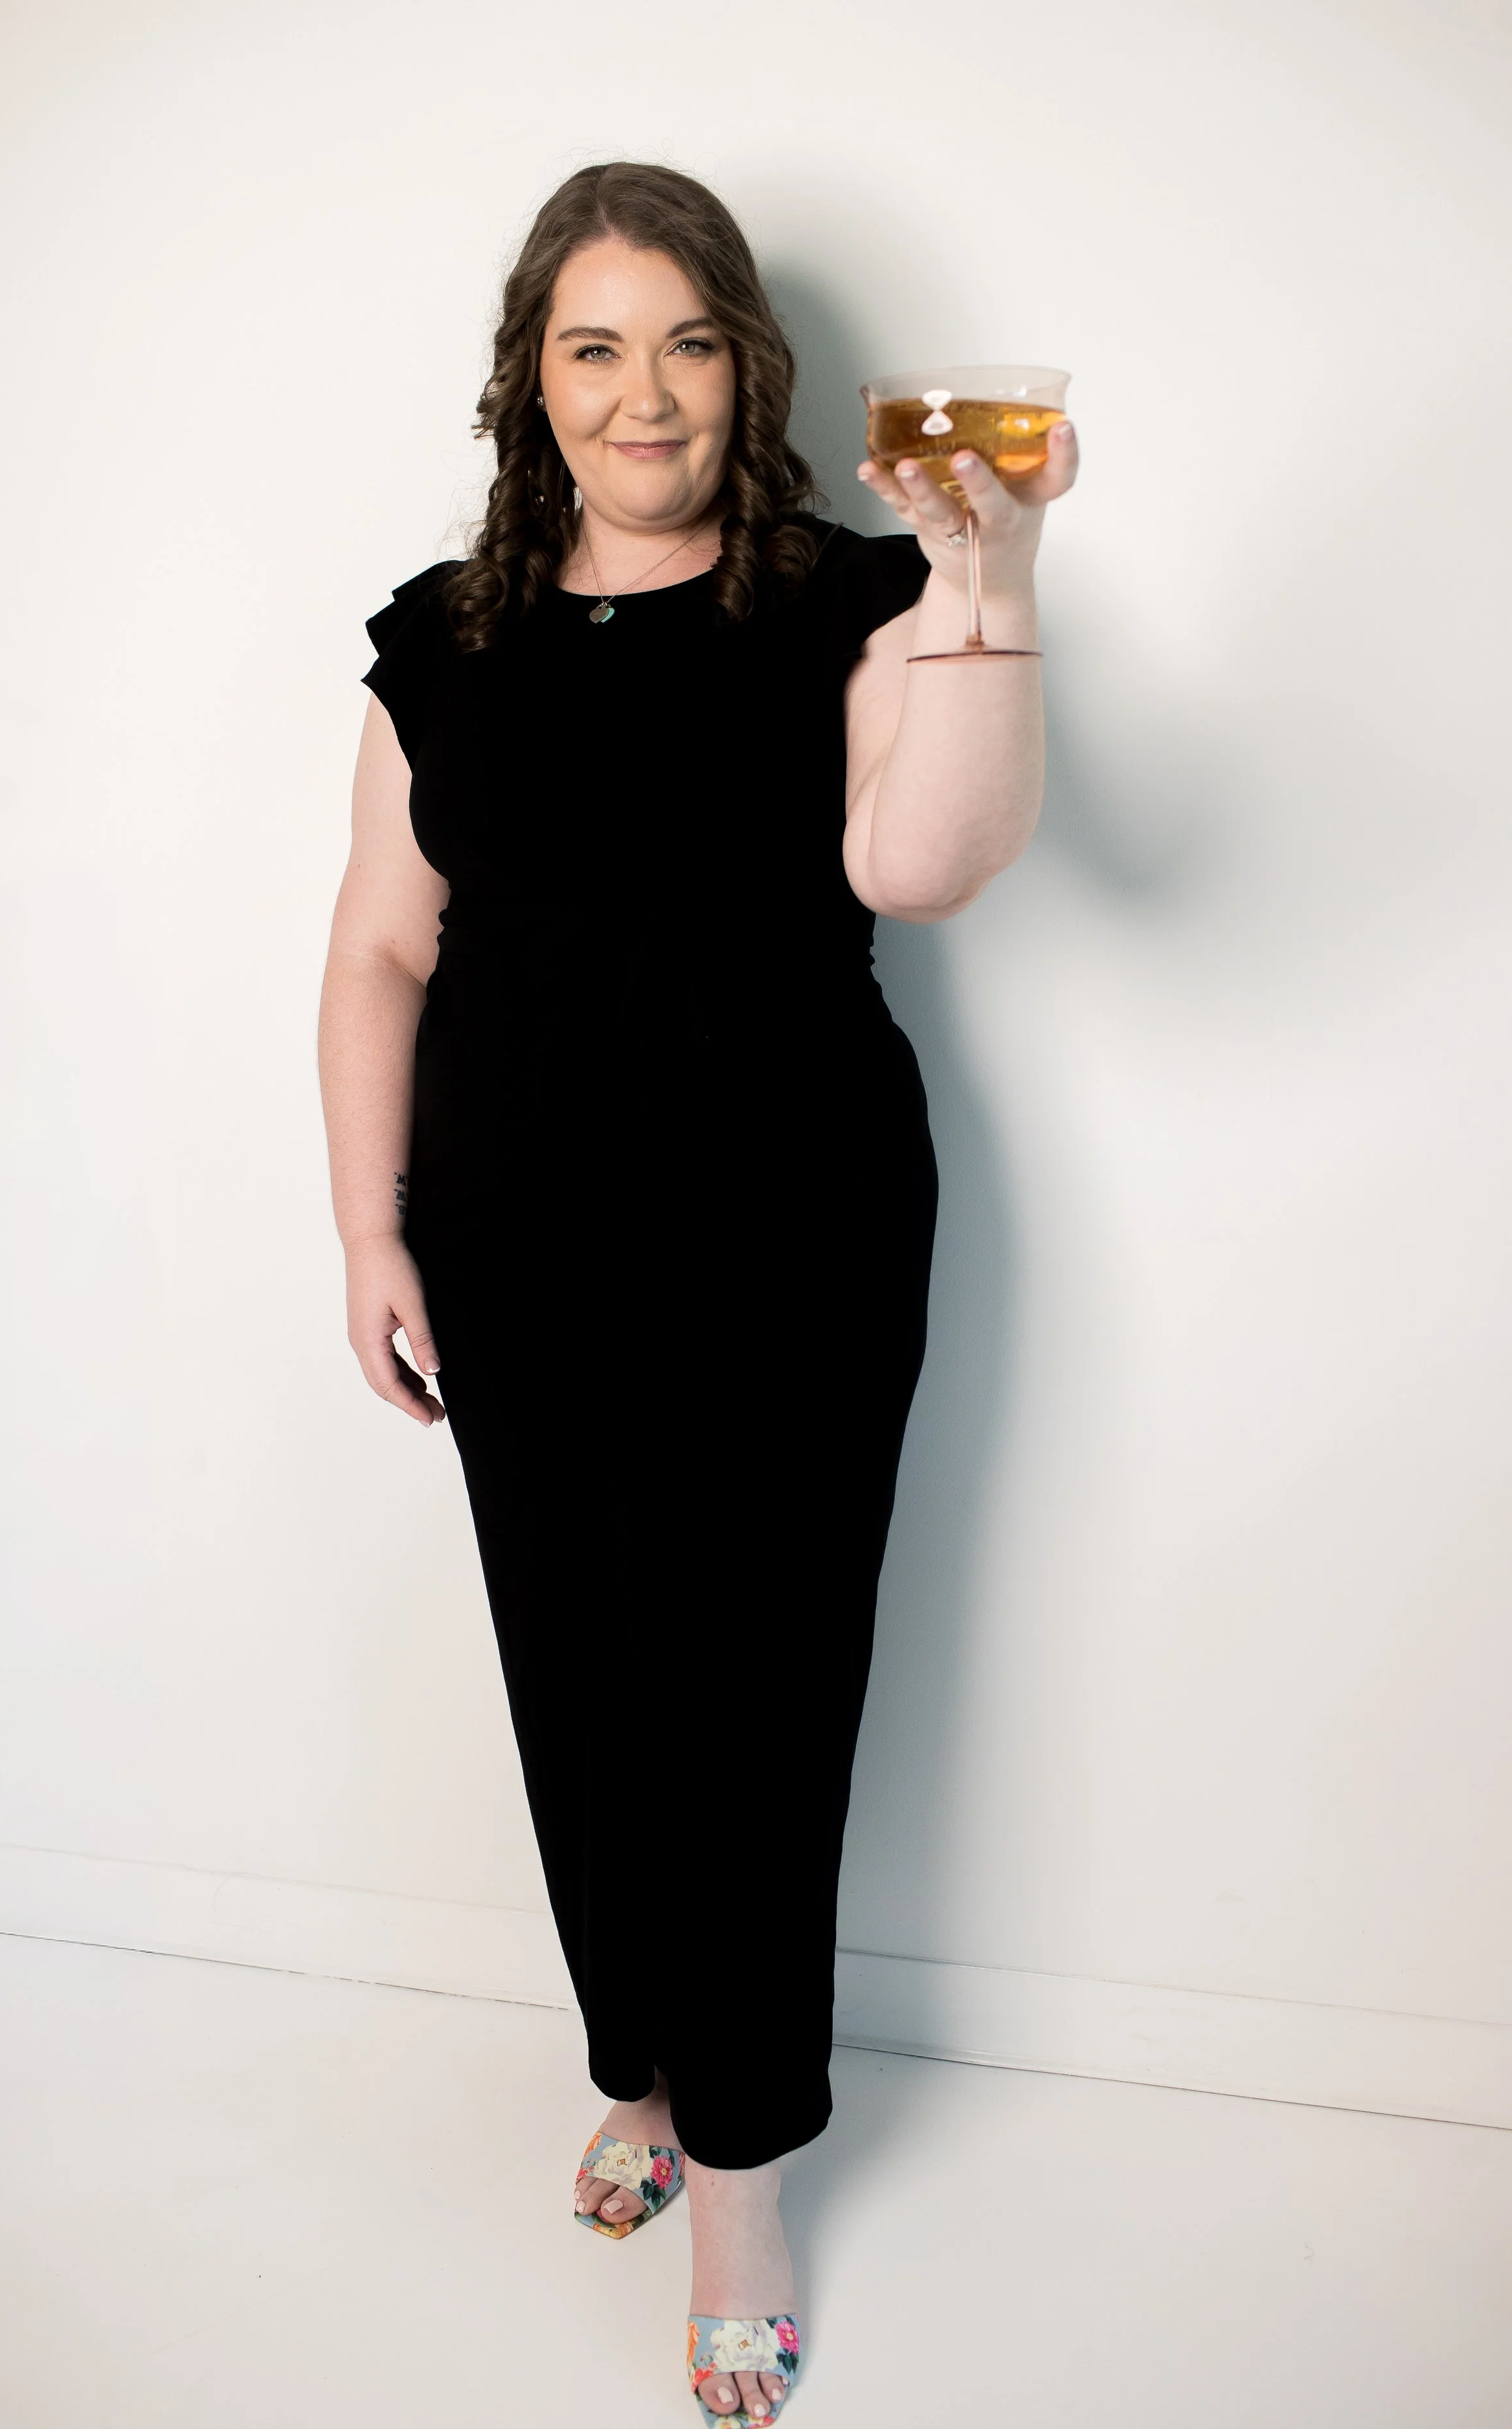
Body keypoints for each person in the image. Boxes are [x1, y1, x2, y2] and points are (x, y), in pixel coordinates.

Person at [317, 159, 1076, 2424]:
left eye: (682, 338)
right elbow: (377, 940)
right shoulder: (441, 637)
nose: (638, 388)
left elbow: (918, 866)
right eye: (590, 342)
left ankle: (741, 2169)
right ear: (529, 379)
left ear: (741, 366)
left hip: (789, 1236)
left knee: (752, 1689)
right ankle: (641, 2065)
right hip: (515, 1241)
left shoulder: (848, 594)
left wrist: (988, 582)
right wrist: (368, 1224)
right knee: (579, 1672)